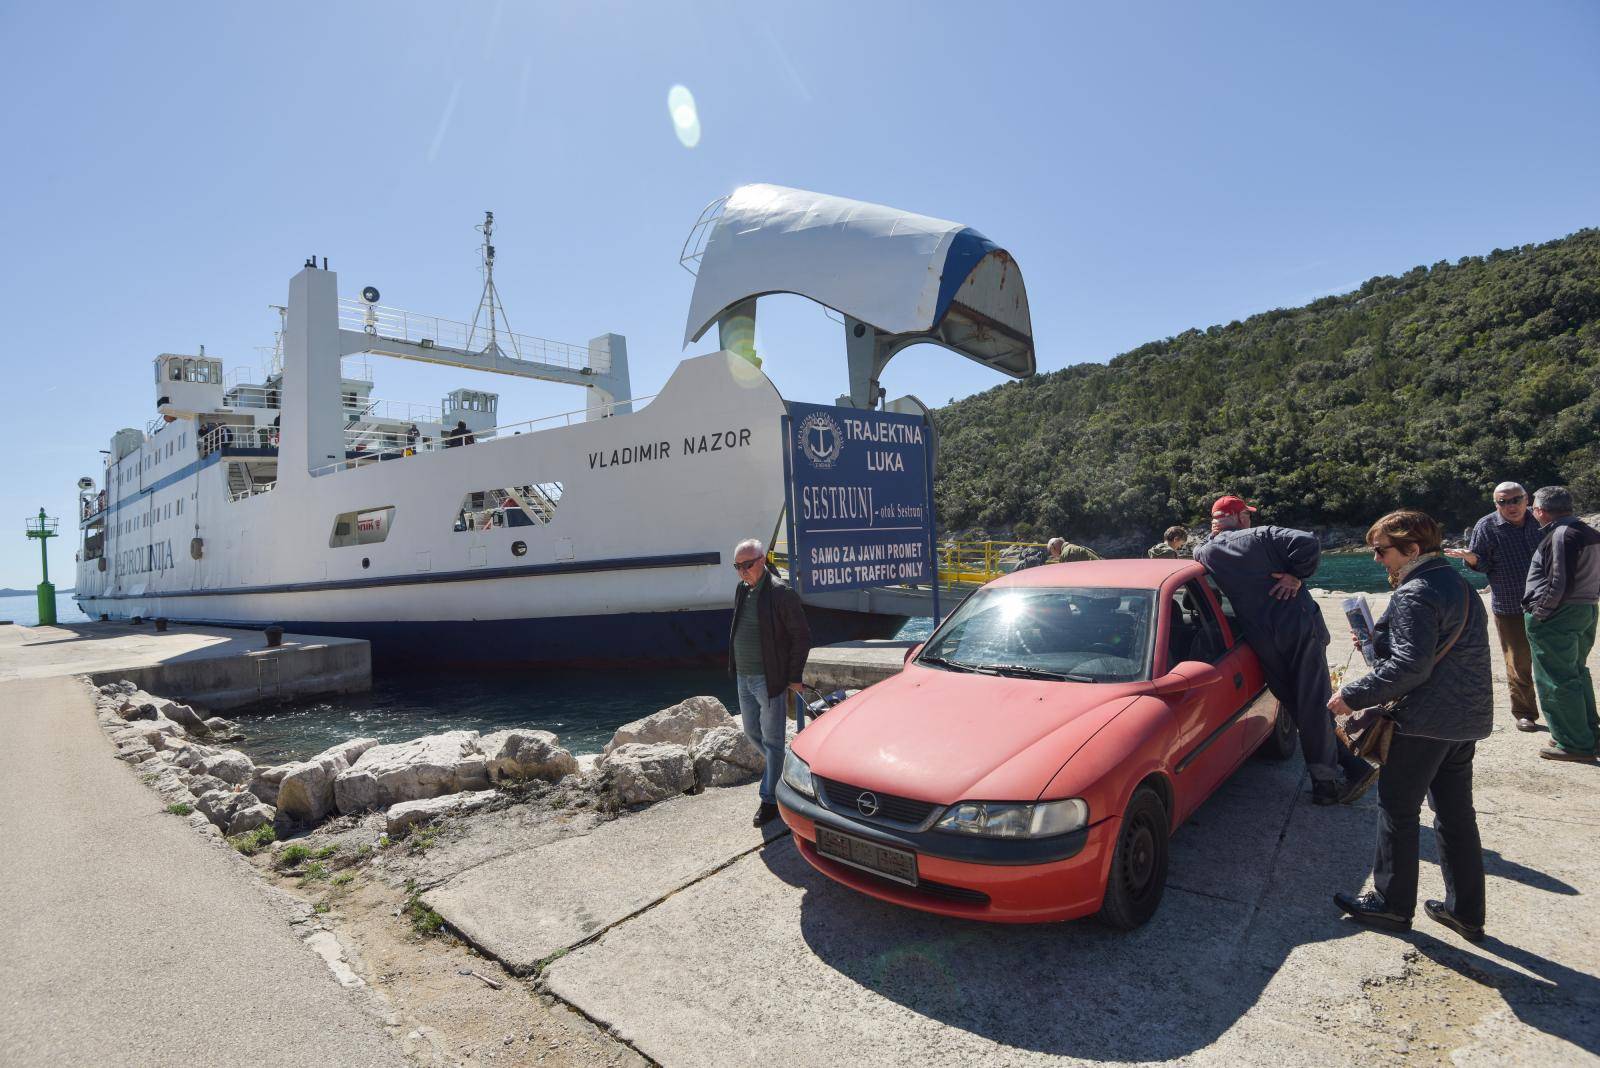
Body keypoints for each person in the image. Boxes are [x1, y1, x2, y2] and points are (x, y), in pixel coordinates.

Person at [1328, 510, 1492, 941]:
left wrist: (1352, 696)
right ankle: (1466, 911)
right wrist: (1377, 645)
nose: (1378, 560)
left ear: (1412, 550)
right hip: (1463, 719)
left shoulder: (1415, 593)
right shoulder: (1459, 584)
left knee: (1398, 810)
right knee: (1456, 815)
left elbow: (1409, 667)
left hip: (1423, 721)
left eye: (1382, 551)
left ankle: (1391, 904)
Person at [1194, 494, 1374, 804]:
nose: (1250, 519)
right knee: (1314, 704)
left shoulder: (1203, 554)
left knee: (1301, 706)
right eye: (1247, 514)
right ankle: (1327, 785)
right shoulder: (1262, 536)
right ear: (1239, 518)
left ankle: (1349, 765)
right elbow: (1308, 543)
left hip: (1263, 641)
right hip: (1299, 629)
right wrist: (1296, 576)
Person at [1445, 482, 1544, 731]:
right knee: (1518, 661)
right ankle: (1525, 713)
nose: (1510, 506)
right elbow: (1482, 563)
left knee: (1552, 659)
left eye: (1515, 500)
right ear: (1495, 504)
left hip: (1548, 601)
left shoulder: (1541, 518)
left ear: (1527, 498)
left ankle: (1561, 715)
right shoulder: (1486, 526)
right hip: (1511, 604)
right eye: (1503, 502)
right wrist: (1472, 559)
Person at [728, 538, 813, 826]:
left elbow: (801, 636)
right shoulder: (742, 590)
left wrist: (794, 676)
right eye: (737, 567)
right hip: (744, 676)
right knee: (752, 732)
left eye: (747, 565)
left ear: (762, 560)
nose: (742, 572)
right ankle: (786, 767)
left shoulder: (780, 593)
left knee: (774, 739)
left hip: (770, 677)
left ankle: (769, 800)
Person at [1522, 486, 1600, 762]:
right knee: (1575, 673)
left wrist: (1541, 612)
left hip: (1560, 614)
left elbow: (1559, 581)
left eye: (1533, 508)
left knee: (1555, 678)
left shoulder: (1562, 534)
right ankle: (1587, 733)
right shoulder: (1588, 532)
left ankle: (1573, 742)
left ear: (1540, 510)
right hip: (1585, 609)